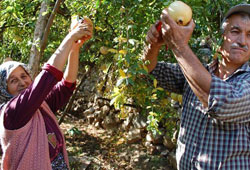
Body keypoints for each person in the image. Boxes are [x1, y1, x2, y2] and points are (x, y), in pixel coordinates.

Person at [144, 3, 250, 169]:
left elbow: (221, 104)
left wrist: (178, 45)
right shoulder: (196, 73)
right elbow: (150, 71)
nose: (243, 41)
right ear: (221, 36)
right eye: (235, 32)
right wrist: (153, 45)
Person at [0, 17, 93, 169]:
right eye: (13, 80)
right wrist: (71, 37)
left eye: (23, 76)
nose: (22, 82)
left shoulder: (40, 106)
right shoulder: (11, 113)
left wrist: (74, 48)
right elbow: (48, 76)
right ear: (4, 90)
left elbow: (67, 84)